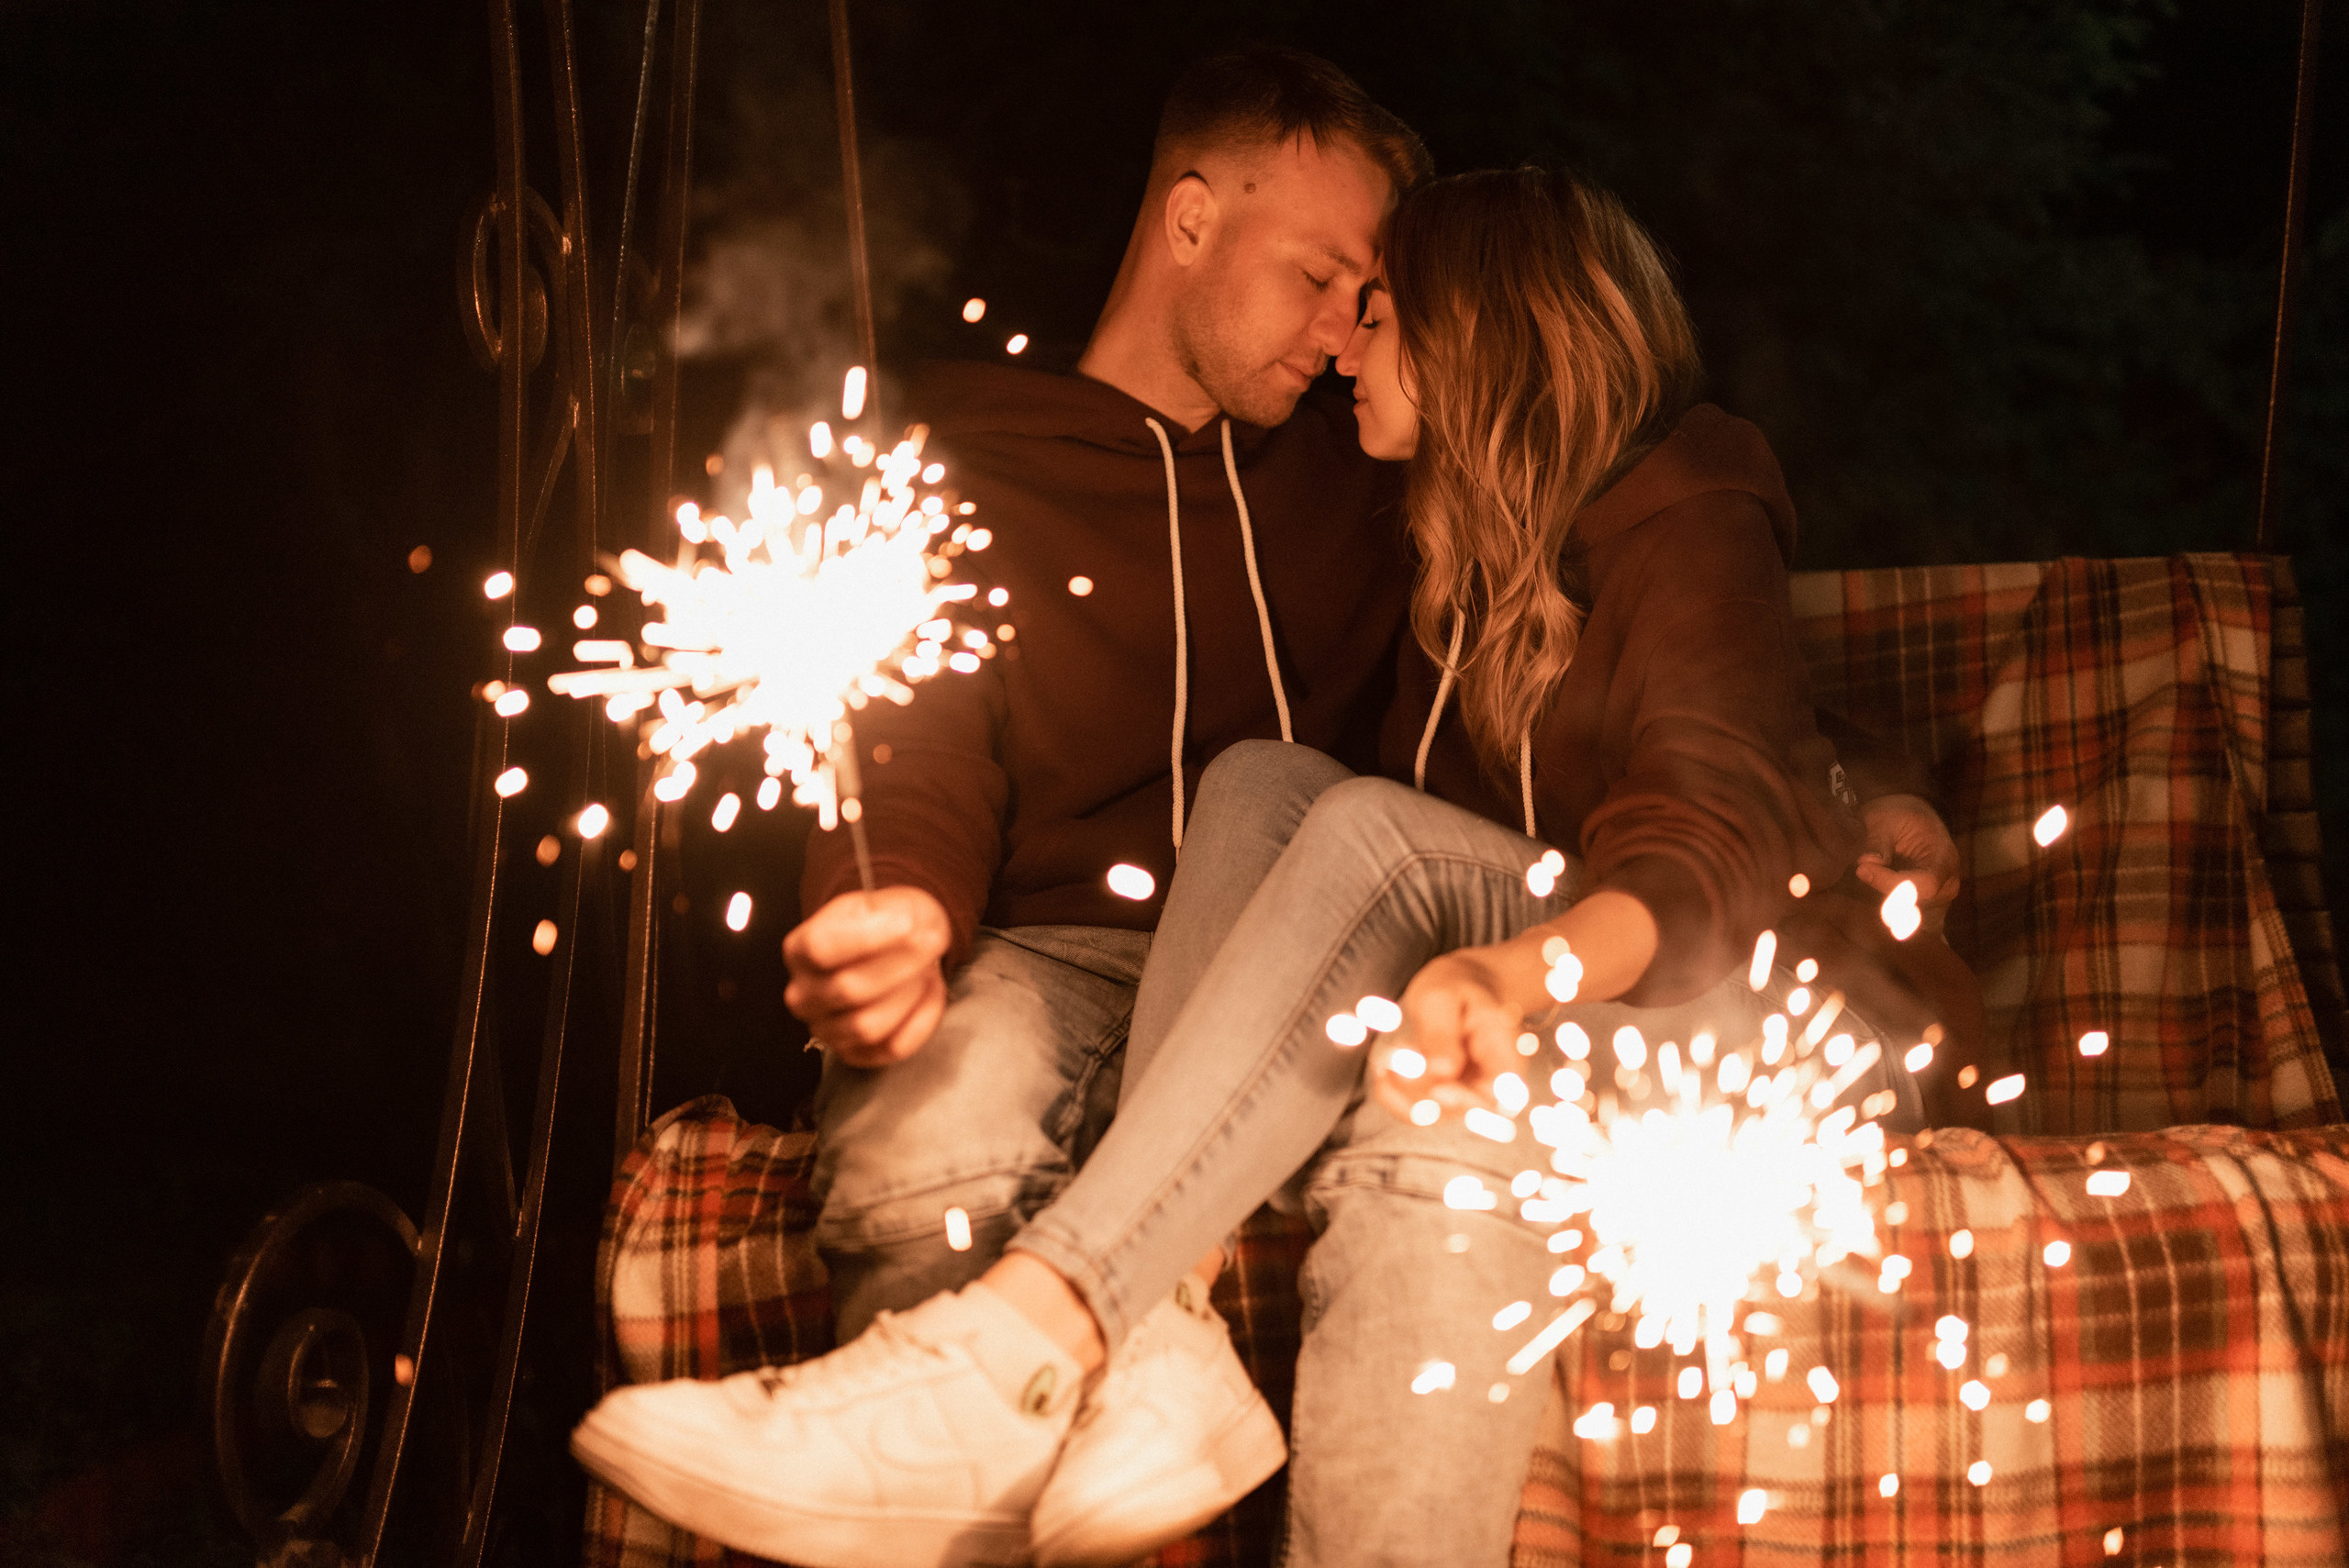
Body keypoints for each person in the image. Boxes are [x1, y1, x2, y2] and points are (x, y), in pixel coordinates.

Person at [573, 60, 1969, 1568]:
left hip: (1589, 964)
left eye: (1374, 303)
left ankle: (1047, 1328)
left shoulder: (1535, 482)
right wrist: (893, 892)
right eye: (1324, 282)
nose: (1340, 334)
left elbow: (1719, 742)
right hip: (1177, 958)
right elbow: (914, 728)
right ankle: (1114, 1350)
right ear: (1189, 221)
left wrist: (1855, 796)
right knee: (1131, 925)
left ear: (1469, 336)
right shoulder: (1337, 506)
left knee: (1360, 846)